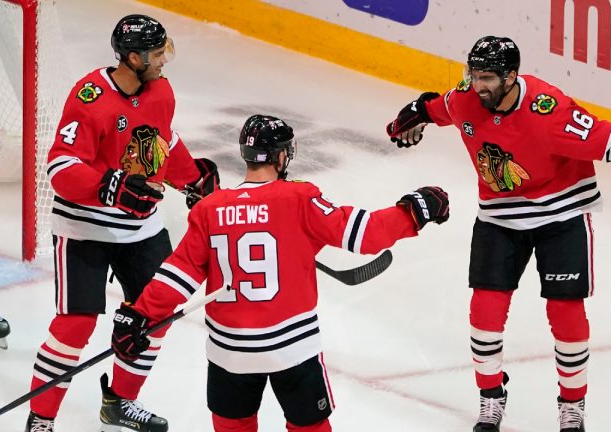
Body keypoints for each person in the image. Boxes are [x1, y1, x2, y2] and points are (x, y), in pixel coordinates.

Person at [385, 36, 611, 432]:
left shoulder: (549, 110)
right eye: (472, 74)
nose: (476, 85)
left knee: (565, 313)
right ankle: (491, 400)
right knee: (484, 313)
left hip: (561, 212)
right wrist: (411, 119)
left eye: (486, 77)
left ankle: (572, 407)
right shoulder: (465, 99)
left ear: (511, 77)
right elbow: (431, 106)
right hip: (499, 215)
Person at [108, 114, 450, 432]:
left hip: (230, 353)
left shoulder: (209, 209)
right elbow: (366, 234)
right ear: (281, 157)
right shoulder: (299, 198)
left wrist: (139, 315)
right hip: (292, 349)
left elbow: (178, 274)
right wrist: (416, 211)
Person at [24, 14, 220, 432]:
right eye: (156, 54)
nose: (164, 61)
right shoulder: (90, 96)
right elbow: (60, 167)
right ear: (133, 58)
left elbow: (163, 138)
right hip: (83, 227)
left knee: (155, 314)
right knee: (75, 324)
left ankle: (120, 402)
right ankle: (41, 418)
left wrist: (192, 177)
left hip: (141, 228)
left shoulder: (160, 91)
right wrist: (108, 186)